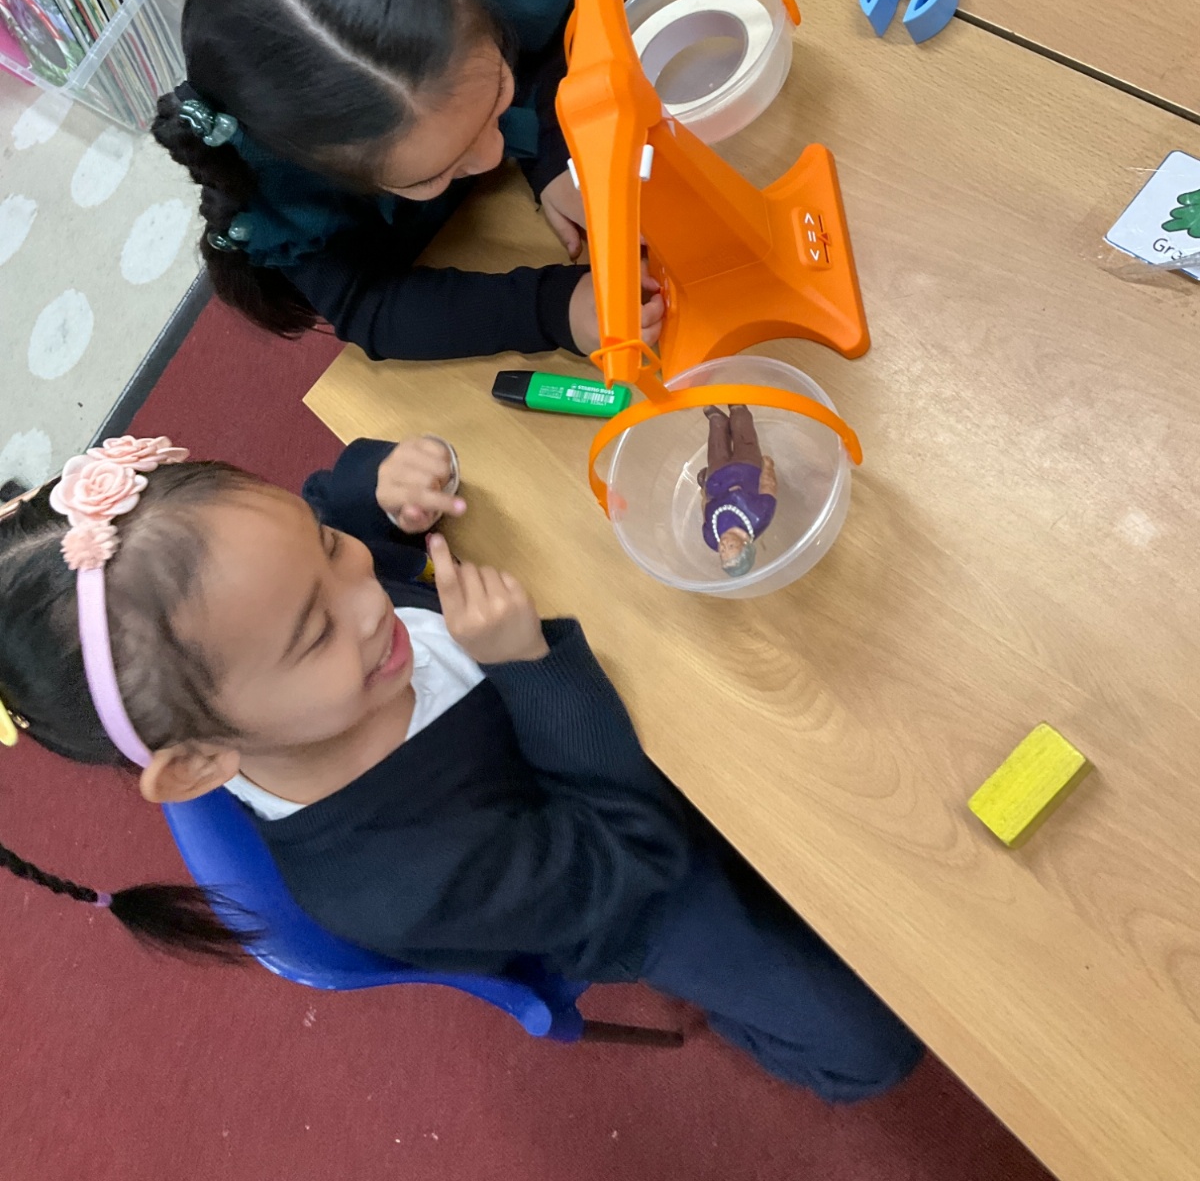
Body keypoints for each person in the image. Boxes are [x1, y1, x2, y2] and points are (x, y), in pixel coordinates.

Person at [0, 436, 920, 1101]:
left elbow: (324, 501)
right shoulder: (393, 883)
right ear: (202, 758)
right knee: (869, 1043)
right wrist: (529, 670)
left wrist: (380, 486)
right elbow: (630, 851)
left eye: (327, 549)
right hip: (624, 889)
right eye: (316, 631)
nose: (368, 598)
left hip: (627, 736)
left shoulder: (284, 619)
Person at [152, 0, 663, 362]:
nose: (494, 153)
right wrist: (552, 308)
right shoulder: (282, 184)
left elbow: (547, 47)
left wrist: (552, 156)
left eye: (496, 97)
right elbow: (371, 306)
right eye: (431, 174)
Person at [699, 405, 777, 577]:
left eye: (722, 551)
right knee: (745, 438)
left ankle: (717, 421)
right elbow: (768, 486)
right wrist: (768, 467)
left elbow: (705, 510)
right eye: (731, 546)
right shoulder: (759, 516)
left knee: (716, 448)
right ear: (745, 544)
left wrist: (704, 492)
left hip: (717, 478)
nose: (724, 545)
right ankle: (738, 410)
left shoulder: (711, 537)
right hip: (746, 469)